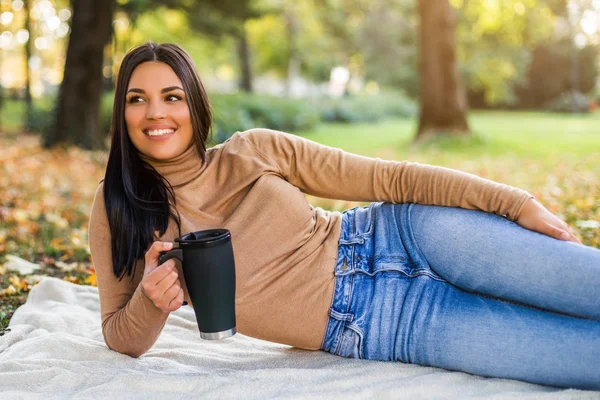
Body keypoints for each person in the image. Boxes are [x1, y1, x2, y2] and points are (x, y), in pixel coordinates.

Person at [88, 42, 600, 391]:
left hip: (408, 237)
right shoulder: (119, 210)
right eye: (138, 99)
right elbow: (119, 335)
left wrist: (515, 203)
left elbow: (389, 179)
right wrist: (151, 302)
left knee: (586, 284)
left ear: (194, 104)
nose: (156, 113)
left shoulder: (255, 150)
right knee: (581, 360)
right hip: (385, 325)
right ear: (123, 113)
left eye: (171, 96)